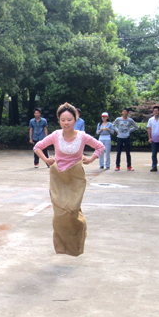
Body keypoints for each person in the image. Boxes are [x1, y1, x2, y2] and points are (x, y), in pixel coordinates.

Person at [33, 103, 105, 256]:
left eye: (69, 120)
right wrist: (46, 160)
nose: (66, 123)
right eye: (63, 120)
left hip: (75, 178)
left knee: (72, 211)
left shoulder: (82, 136)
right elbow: (37, 147)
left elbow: (100, 147)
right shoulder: (56, 135)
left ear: (75, 120)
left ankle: (79, 236)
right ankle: (61, 247)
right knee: (60, 214)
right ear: (59, 120)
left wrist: (91, 159)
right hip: (58, 177)